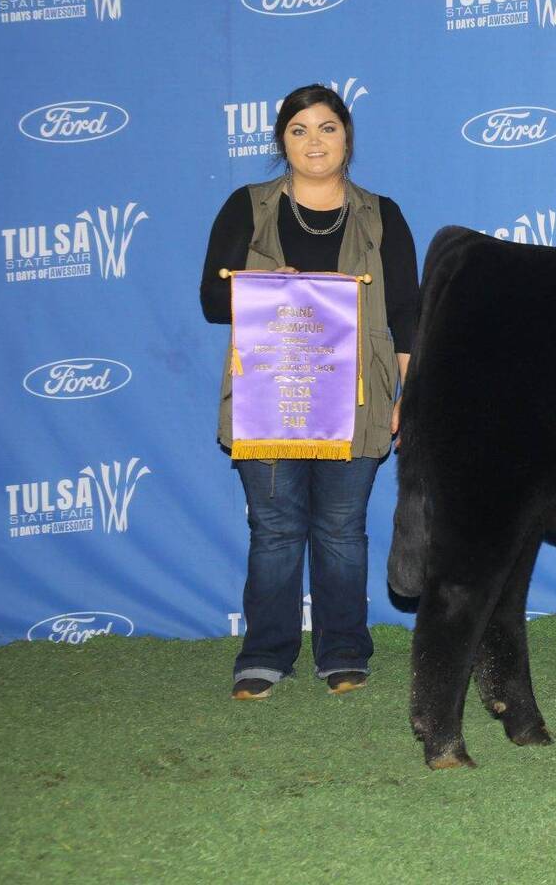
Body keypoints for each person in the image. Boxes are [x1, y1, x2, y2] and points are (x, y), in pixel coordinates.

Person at [201, 84, 418, 700]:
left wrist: (412, 392)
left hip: (358, 398)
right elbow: (212, 299)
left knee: (342, 529)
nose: (314, 141)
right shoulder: (247, 206)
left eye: (327, 127)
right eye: (299, 130)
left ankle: (344, 651)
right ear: (280, 142)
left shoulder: (383, 214)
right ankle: (265, 653)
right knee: (273, 529)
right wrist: (266, 284)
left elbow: (407, 310)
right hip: (269, 397)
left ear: (347, 136)